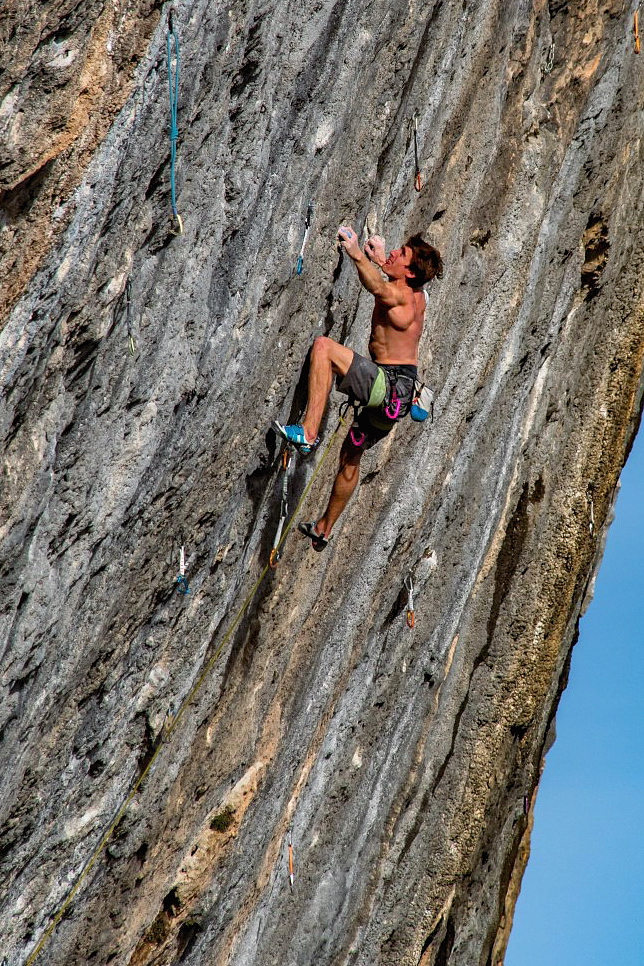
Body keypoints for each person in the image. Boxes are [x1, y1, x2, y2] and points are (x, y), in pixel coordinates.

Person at [273, 226, 443, 551]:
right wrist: (381, 259)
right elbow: (391, 282)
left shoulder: (402, 296)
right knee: (351, 454)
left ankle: (308, 433)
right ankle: (324, 528)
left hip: (389, 385)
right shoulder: (416, 293)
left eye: (399, 254)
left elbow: (380, 289)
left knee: (324, 348)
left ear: (408, 271)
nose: (392, 252)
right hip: (396, 396)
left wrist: (354, 252)